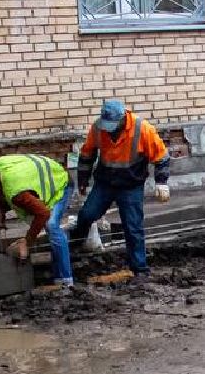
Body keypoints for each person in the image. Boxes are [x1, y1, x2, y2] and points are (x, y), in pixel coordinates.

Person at [67, 99, 171, 280]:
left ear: (123, 119)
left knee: (133, 227)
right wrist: (83, 180)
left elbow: (161, 157)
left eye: (113, 125)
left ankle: (139, 269)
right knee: (87, 214)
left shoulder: (142, 129)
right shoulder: (98, 129)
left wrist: (161, 182)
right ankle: (76, 246)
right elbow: (87, 154)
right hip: (105, 183)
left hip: (131, 185)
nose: (109, 129)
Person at [0, 154, 75, 287]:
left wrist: (27, 242)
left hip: (60, 182)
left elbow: (42, 213)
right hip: (36, 177)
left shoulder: (17, 193)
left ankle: (65, 280)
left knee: (52, 226)